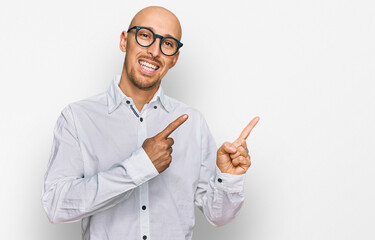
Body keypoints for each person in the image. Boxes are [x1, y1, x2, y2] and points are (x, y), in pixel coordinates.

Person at [42, 6, 260, 240]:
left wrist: (228, 178)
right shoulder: (78, 118)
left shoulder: (193, 123)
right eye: (145, 35)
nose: (155, 51)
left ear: (174, 58)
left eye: (167, 43)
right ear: (124, 41)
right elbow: (56, 206)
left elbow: (218, 216)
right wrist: (139, 166)